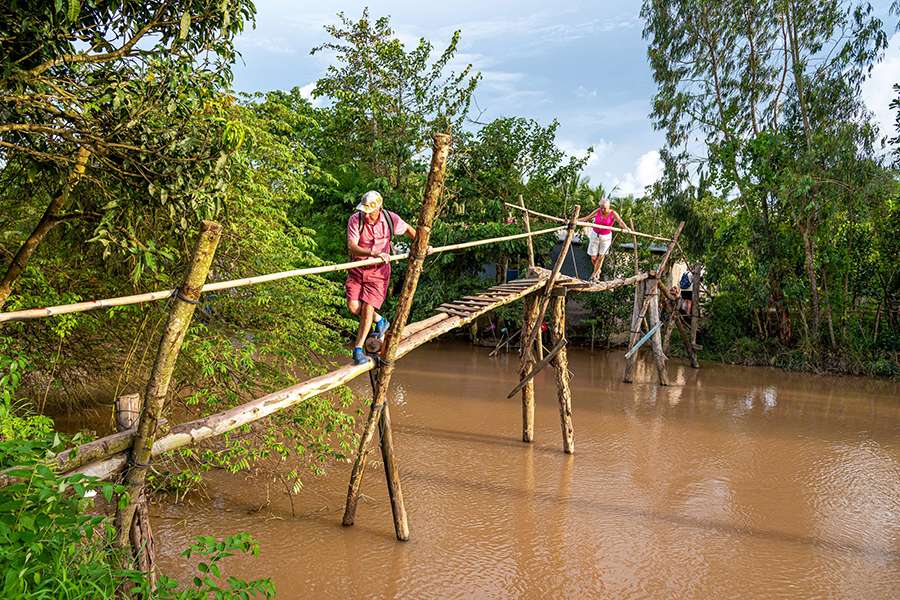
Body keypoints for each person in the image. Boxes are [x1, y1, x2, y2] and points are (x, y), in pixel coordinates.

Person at [346, 190, 418, 365]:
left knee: (368, 308)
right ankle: (381, 320)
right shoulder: (355, 220)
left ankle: (357, 350)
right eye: (364, 211)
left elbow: (409, 229)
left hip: (378, 273)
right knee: (354, 307)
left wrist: (422, 246)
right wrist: (373, 252)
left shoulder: (389, 219)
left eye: (369, 211)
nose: (366, 214)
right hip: (357, 269)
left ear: (379, 208)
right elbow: (352, 246)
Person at [583, 197, 630, 282]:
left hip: (606, 237)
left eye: (604, 208)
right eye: (601, 207)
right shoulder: (598, 211)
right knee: (593, 257)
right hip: (595, 235)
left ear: (609, 206)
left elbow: (620, 221)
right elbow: (587, 218)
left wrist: (627, 228)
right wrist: (575, 220)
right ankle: (598, 270)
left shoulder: (613, 213)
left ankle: (594, 275)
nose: (602, 209)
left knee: (601, 256)